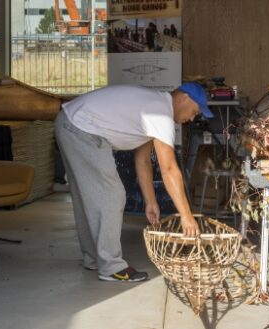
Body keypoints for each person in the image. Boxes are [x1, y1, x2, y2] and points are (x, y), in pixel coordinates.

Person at [54, 83, 213, 282]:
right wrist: (186, 216)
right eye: (195, 112)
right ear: (185, 97)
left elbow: (143, 160)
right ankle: (111, 267)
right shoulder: (161, 114)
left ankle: (94, 258)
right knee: (112, 196)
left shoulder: (154, 107)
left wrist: (150, 201)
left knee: (87, 195)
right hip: (81, 128)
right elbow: (169, 170)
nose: (191, 119)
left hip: (69, 122)